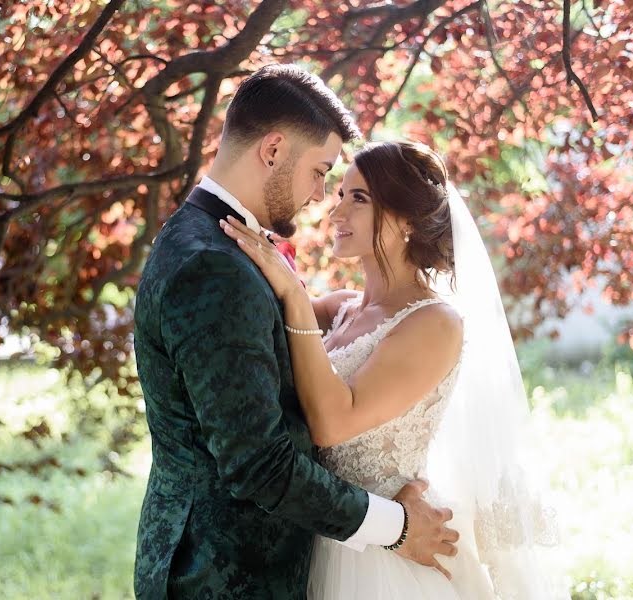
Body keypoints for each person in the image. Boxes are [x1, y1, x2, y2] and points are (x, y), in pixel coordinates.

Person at [132, 65, 458, 599]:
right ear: (274, 150)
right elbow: (260, 463)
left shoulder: (208, 241)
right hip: (223, 575)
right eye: (320, 171)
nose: (320, 196)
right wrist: (397, 528)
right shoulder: (214, 265)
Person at [221, 139, 562, 598]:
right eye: (339, 195)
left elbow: (332, 423)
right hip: (320, 530)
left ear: (406, 221)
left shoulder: (435, 323)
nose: (335, 212)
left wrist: (296, 299)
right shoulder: (341, 309)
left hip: (390, 555)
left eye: (358, 199)